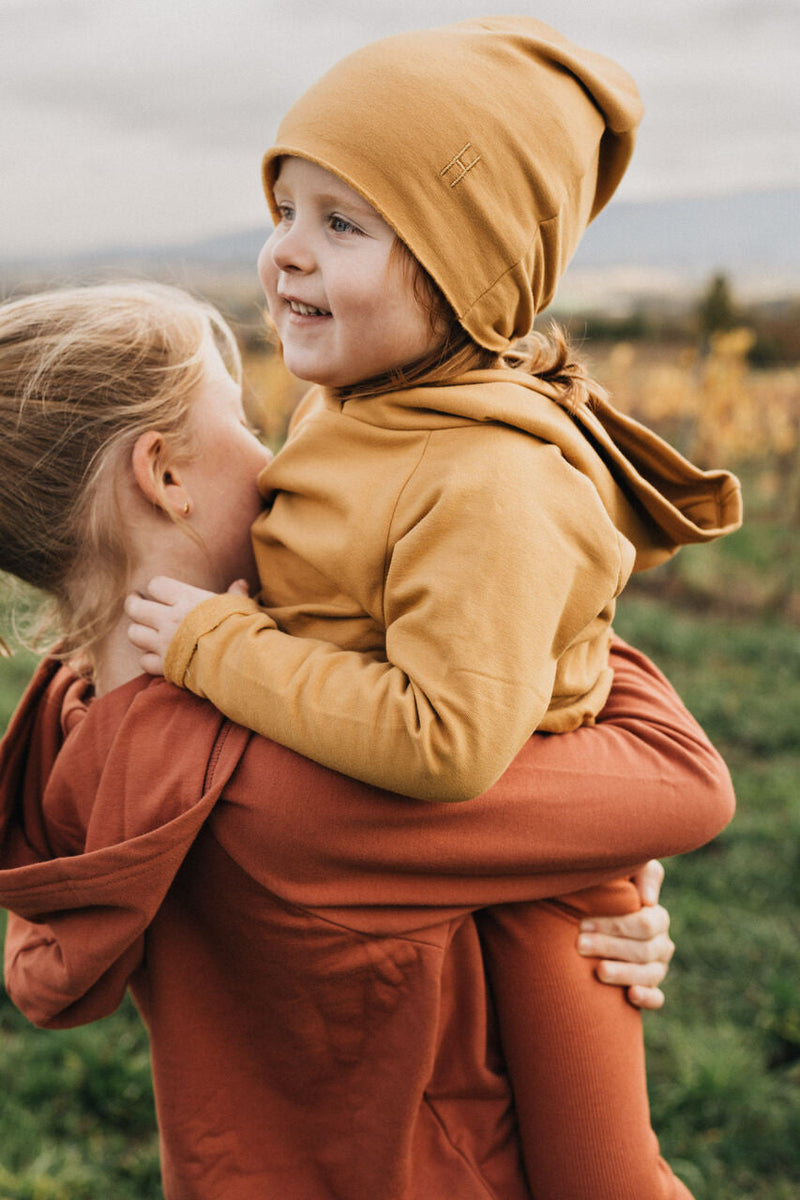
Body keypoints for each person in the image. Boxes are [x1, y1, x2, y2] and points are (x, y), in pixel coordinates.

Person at [123, 20, 742, 1194]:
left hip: (545, 883)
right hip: (428, 871)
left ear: (471, 271)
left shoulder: (488, 477)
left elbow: (444, 738)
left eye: (340, 224)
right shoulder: (360, 406)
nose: (285, 256)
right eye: (283, 209)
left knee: (596, 1172)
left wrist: (220, 651)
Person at [0, 282, 735, 1199]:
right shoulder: (283, 788)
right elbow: (679, 776)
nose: (276, 462)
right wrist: (502, 558)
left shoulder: (80, 726)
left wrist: (559, 873)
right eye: (245, 423)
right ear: (165, 475)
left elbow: (552, 845)